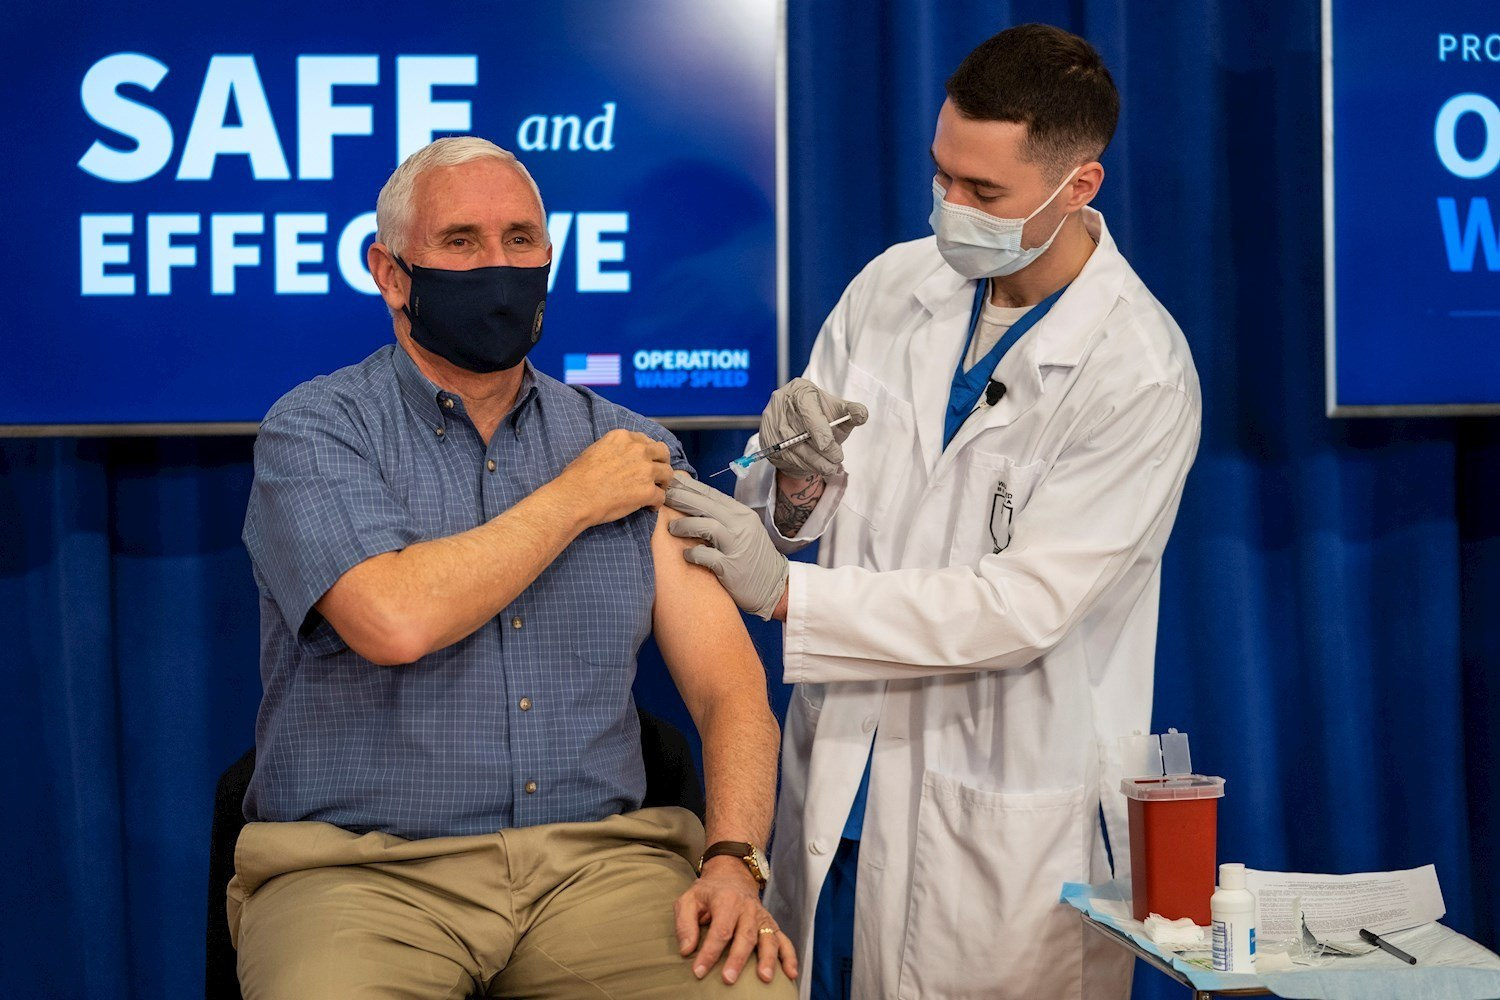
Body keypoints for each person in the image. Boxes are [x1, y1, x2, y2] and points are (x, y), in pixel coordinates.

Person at [664, 24, 1201, 1000]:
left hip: (1000, 818)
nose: (950, 208)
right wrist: (791, 484)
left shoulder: (1138, 372)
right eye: (941, 175)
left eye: (983, 192)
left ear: (1079, 187)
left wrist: (789, 591)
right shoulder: (894, 286)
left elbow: (1020, 606)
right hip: (842, 784)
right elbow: (800, 508)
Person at [231, 136, 798, 1000]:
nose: (498, 265)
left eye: (521, 240)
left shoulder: (631, 447)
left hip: (596, 870)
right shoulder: (316, 429)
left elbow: (730, 689)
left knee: (745, 989)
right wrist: (574, 498)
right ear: (391, 274)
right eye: (460, 243)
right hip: (361, 874)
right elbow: (393, 620)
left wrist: (732, 863)